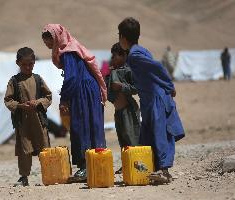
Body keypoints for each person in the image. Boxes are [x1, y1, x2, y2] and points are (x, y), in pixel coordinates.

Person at [118, 17, 185, 184]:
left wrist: (169, 86)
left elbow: (157, 67)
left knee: (159, 134)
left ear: (123, 38)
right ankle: (149, 170)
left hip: (156, 99)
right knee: (147, 136)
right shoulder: (140, 50)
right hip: (148, 100)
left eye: (119, 35)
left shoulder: (134, 55)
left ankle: (164, 171)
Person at [41, 24, 107, 181]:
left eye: (49, 41)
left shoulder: (68, 52)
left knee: (81, 125)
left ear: (56, 38)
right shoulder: (72, 48)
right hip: (87, 89)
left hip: (82, 90)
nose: (48, 45)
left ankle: (85, 167)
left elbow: (72, 78)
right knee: (91, 124)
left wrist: (64, 99)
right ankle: (95, 163)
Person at [4, 47, 52, 186]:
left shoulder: (37, 79)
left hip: (39, 120)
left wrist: (37, 102)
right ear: (18, 63)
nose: (27, 67)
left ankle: (49, 175)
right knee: (25, 150)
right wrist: (20, 106)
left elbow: (48, 97)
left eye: (30, 64)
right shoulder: (14, 81)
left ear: (34, 62)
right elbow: (8, 100)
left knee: (44, 147)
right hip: (23, 122)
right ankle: (24, 177)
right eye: (24, 64)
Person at [106, 42, 140, 174]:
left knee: (132, 138)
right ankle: (127, 163)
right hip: (118, 111)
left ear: (123, 56)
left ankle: (137, 164)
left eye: (114, 56)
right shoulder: (112, 72)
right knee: (122, 138)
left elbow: (136, 88)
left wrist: (122, 87)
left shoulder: (128, 71)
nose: (112, 59)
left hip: (128, 110)